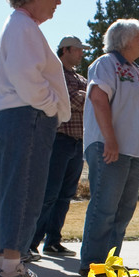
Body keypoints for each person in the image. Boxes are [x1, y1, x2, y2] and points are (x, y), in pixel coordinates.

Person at [0, 0, 70, 277]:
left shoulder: (18, 26)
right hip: (28, 116)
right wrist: (51, 107)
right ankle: (12, 268)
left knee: (8, 190)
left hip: (12, 116)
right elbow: (27, 77)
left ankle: (0, 264)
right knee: (25, 190)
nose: (57, 1)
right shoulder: (24, 27)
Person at [79, 18, 139, 277]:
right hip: (110, 146)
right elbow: (98, 98)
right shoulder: (106, 63)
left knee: (124, 210)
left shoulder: (136, 70)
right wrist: (110, 138)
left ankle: (110, 264)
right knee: (105, 206)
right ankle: (92, 264)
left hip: (133, 150)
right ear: (124, 40)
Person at [28, 35, 89, 258]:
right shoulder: (55, 73)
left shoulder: (81, 78)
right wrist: (88, 95)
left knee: (65, 195)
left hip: (78, 142)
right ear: (65, 50)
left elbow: (81, 99)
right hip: (59, 140)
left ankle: (53, 241)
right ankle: (31, 242)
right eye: (78, 49)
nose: (81, 53)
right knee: (49, 193)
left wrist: (85, 95)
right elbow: (69, 101)